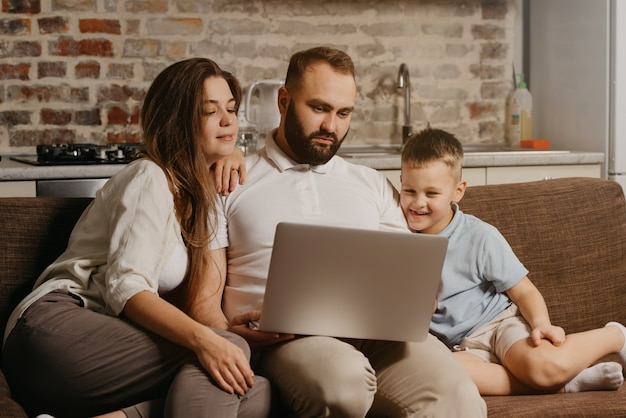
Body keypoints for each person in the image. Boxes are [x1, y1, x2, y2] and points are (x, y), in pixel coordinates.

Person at [212, 46, 487, 417]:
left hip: (381, 337)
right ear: (284, 100)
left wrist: (419, 298)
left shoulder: (370, 183)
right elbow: (202, 295)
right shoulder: (233, 179)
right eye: (319, 108)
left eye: (343, 113)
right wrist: (227, 330)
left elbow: (410, 273)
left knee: (462, 398)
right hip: (284, 341)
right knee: (342, 383)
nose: (331, 126)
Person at [2, 58, 271, 418]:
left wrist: (230, 338)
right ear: (178, 121)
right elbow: (126, 288)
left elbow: (203, 307)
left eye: (232, 109)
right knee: (225, 356)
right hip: (55, 329)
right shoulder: (149, 177)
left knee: (256, 388)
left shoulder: (202, 198)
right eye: (210, 111)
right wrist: (211, 340)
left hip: (107, 349)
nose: (228, 120)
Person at [399, 127, 626, 396]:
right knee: (436, 373)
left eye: (432, 193)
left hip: (498, 326)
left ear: (457, 191)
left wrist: (541, 323)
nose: (418, 202)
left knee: (544, 367)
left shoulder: (479, 236)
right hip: (459, 348)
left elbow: (524, 290)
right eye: (409, 190)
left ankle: (615, 335)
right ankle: (568, 384)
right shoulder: (397, 237)